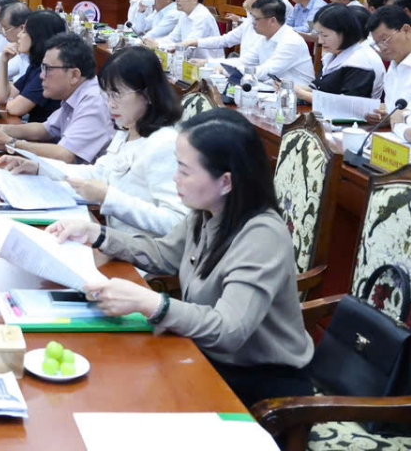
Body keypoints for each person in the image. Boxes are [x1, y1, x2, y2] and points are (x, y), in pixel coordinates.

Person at [46, 109, 314, 407]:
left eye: (185, 172)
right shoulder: (207, 212)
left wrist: (152, 303)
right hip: (202, 353)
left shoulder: (262, 235)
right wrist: (97, 234)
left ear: (226, 182)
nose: (175, 179)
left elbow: (229, 330)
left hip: (258, 383)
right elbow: (164, 253)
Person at [5, 47, 187, 235]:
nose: (110, 104)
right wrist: (40, 168)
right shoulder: (127, 131)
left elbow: (176, 224)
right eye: (107, 95)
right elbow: (98, 173)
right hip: (114, 240)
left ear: (147, 94)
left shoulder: (164, 144)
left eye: (117, 94)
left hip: (142, 249)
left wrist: (109, 197)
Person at [0, 32, 114, 163]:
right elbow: (46, 129)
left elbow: (66, 155)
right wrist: (0, 129)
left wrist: (10, 143)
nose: (41, 76)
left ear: (74, 75)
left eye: (48, 69)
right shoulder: (76, 92)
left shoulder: (94, 101)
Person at [295, 3, 385, 103]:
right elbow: (320, 87)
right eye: (318, 34)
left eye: (325, 35)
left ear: (344, 33)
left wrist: (302, 94)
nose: (320, 41)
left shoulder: (361, 61)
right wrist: (294, 88)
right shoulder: (334, 53)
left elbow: (348, 104)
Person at [180, 0, 280, 66]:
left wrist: (207, 62)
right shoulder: (250, 22)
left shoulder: (268, 29)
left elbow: (246, 63)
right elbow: (225, 40)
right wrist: (195, 42)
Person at [0, 10, 67, 123]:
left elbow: (15, 109)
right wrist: (3, 62)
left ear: (38, 36)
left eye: (24, 31)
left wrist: (12, 101)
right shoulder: (36, 65)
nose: (19, 35)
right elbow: (3, 98)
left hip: (44, 133)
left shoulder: (49, 70)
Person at [245, 0, 315, 85]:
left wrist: (243, 72)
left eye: (256, 19)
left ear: (272, 21)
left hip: (296, 92)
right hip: (273, 88)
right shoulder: (264, 37)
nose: (253, 22)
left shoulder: (291, 41)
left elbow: (268, 71)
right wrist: (230, 67)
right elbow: (246, 61)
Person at [147, 0, 222, 60]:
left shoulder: (203, 17)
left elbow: (188, 46)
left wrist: (159, 45)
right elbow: (173, 38)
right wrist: (154, 42)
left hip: (207, 64)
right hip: (188, 60)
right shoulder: (184, 14)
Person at [365, 5, 411, 126]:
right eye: (377, 44)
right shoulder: (394, 66)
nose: (382, 48)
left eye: (385, 40)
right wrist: (385, 117)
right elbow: (393, 109)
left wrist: (394, 119)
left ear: (406, 30)